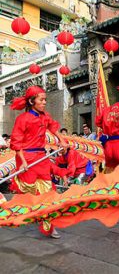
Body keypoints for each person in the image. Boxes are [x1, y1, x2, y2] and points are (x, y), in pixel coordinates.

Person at [9, 85, 68, 239]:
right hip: (27, 159)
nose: (44, 103)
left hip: (41, 159)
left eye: (45, 100)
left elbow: (53, 128)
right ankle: (22, 212)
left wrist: (61, 140)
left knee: (48, 193)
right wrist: (22, 162)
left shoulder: (44, 116)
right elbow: (16, 143)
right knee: (28, 191)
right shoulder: (22, 119)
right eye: (41, 100)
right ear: (31, 101)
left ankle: (49, 226)